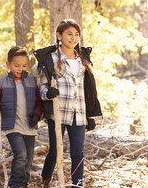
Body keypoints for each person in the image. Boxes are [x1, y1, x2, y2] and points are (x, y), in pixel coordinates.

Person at [33, 18, 102, 187]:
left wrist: (90, 115)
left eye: (76, 34)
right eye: (69, 34)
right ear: (59, 35)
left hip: (78, 112)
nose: (73, 38)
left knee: (78, 152)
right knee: (55, 150)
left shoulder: (82, 58)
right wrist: (48, 93)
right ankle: (46, 176)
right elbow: (42, 86)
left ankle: (77, 184)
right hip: (58, 112)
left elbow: (88, 89)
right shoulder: (50, 58)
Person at [0, 45, 43, 188]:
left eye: (24, 65)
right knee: (21, 155)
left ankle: (23, 183)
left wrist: (37, 115)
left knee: (29, 159)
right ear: (8, 64)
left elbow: (39, 102)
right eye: (17, 65)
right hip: (12, 126)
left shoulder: (32, 81)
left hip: (29, 125)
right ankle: (14, 184)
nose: (21, 69)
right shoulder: (2, 82)